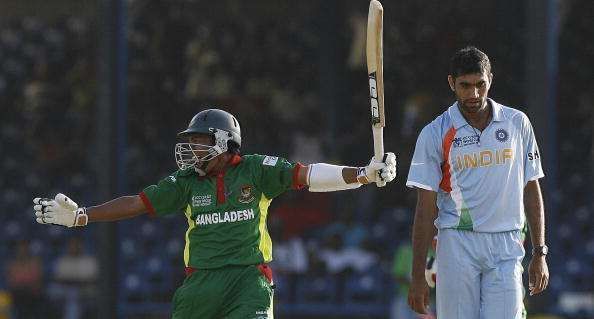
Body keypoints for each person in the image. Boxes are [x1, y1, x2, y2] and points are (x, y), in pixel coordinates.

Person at [32, 108, 397, 319]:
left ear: (224, 142)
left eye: (200, 140)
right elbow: (137, 202)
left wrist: (362, 175)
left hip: (248, 280)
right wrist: (83, 216)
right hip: (199, 284)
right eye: (190, 141)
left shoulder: (256, 169)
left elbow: (308, 175)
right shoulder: (186, 181)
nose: (191, 147)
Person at [406, 46, 549, 318]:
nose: (473, 94)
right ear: (452, 83)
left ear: (490, 79)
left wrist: (540, 251)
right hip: (457, 243)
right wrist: (417, 277)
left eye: (480, 85)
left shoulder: (517, 123)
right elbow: (425, 209)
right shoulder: (434, 133)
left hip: (507, 243)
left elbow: (531, 187)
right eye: (465, 86)